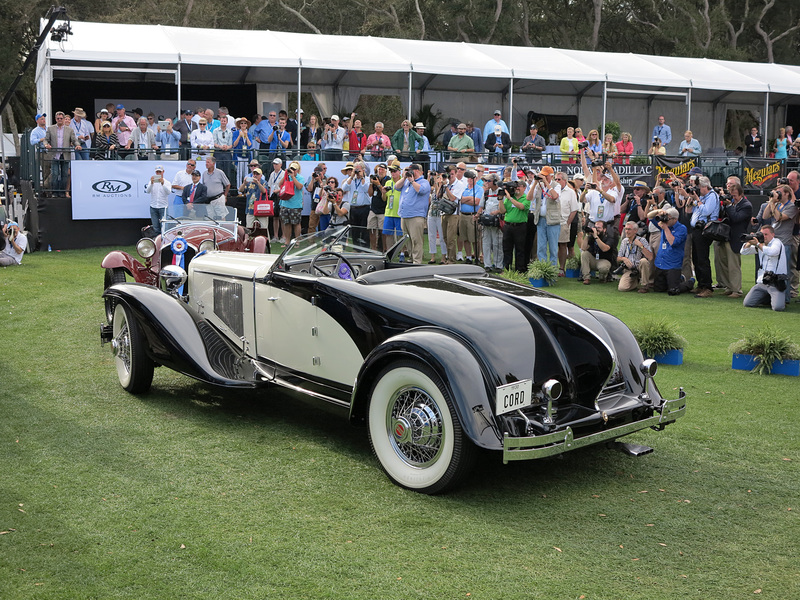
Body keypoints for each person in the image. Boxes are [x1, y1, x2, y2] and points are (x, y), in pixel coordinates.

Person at [761, 184, 798, 305]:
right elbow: (765, 216)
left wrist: (772, 204)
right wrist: (771, 201)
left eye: (780, 192)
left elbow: (778, 217)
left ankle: (785, 297)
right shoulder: (777, 204)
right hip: (774, 241)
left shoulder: (792, 207)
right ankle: (773, 295)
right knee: (773, 270)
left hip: (785, 242)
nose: (777, 194)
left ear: (787, 193)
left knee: (784, 272)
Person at [716, 179, 752, 299]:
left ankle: (737, 290)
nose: (733, 198)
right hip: (725, 236)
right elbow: (722, 216)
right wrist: (724, 205)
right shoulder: (730, 204)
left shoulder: (746, 205)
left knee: (734, 265)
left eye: (735, 196)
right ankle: (729, 287)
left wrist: (729, 206)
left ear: (741, 194)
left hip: (736, 238)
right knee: (724, 263)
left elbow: (736, 218)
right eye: (731, 196)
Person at [684, 176, 719, 297]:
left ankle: (707, 286)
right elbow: (688, 212)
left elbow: (706, 211)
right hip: (696, 229)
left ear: (705, 186)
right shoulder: (703, 197)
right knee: (696, 258)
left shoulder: (712, 196)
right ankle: (700, 284)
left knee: (703, 258)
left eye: (699, 187)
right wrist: (690, 200)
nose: (697, 189)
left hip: (705, 230)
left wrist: (697, 199)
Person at [741, 225, 788, 311]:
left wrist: (758, 244)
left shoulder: (777, 242)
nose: (764, 237)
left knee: (778, 308)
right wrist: (749, 242)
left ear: (773, 234)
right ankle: (767, 298)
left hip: (775, 282)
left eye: (766, 234)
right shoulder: (761, 245)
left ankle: (775, 298)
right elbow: (744, 252)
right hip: (763, 281)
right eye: (762, 234)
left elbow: (773, 252)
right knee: (748, 303)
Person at [650, 207, 694, 295]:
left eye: (668, 218)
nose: (665, 220)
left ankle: (690, 282)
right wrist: (658, 211)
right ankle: (678, 279)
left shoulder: (681, 228)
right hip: (661, 263)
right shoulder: (664, 224)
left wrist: (665, 228)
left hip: (672, 264)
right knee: (658, 289)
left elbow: (673, 242)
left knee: (673, 290)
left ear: (675, 219)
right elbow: (649, 216)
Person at [396, 163, 431, 264]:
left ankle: (417, 260)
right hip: (404, 215)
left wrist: (412, 181)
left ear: (416, 171)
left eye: (410, 170)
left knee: (416, 240)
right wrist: (404, 178)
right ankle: (411, 257)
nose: (409, 172)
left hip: (416, 216)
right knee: (407, 239)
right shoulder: (406, 181)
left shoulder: (424, 182)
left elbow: (421, 190)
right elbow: (396, 187)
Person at [529, 166, 561, 267]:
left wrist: (546, 183)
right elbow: (529, 198)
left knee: (553, 248)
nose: (543, 177)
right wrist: (535, 183)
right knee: (541, 247)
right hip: (541, 219)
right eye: (542, 175)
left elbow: (555, 196)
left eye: (546, 176)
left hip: (553, 220)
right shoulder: (538, 186)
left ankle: (552, 270)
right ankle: (542, 269)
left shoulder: (556, 185)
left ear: (551, 176)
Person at [43, 111, 80, 195]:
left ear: (63, 119)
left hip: (65, 154)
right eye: (58, 118)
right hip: (54, 154)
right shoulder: (50, 128)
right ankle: (55, 192)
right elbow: (46, 139)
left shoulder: (69, 130)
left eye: (61, 118)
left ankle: (62, 192)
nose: (59, 120)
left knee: (65, 174)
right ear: (55, 119)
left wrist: (77, 145)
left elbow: (74, 140)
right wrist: (46, 144)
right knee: (55, 174)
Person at [502, 179, 532, 272]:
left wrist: (510, 198)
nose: (517, 188)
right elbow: (503, 210)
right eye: (516, 187)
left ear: (524, 188)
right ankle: (507, 269)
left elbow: (522, 207)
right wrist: (500, 200)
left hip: (520, 226)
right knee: (507, 249)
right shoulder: (510, 197)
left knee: (520, 249)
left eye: (519, 186)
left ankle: (520, 270)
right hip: (508, 226)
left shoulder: (526, 198)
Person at [616, 221, 654, 292]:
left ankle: (645, 286)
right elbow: (618, 258)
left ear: (635, 231)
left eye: (629, 229)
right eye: (626, 229)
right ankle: (636, 282)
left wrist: (641, 246)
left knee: (644, 261)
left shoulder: (642, 240)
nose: (627, 231)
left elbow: (650, 257)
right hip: (630, 269)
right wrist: (624, 259)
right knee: (622, 288)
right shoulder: (624, 241)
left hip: (640, 268)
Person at [478, 173, 505, 272]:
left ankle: (498, 265)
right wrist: (477, 215)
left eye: (488, 181)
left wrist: (497, 212)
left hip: (496, 221)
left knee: (497, 243)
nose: (486, 183)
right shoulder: (486, 193)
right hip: (486, 221)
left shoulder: (501, 192)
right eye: (485, 181)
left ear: (494, 181)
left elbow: (505, 207)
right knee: (486, 242)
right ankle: (487, 264)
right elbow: (481, 206)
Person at [442, 162, 468, 263]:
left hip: (453, 213)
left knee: (450, 238)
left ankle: (451, 259)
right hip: (444, 212)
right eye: (449, 174)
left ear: (456, 174)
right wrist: (440, 184)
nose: (450, 176)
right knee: (445, 237)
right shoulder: (446, 183)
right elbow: (439, 196)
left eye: (452, 174)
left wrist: (446, 188)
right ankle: (449, 256)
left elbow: (453, 198)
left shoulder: (459, 185)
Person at [580, 219, 618, 284]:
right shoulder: (591, 236)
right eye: (595, 227)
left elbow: (605, 248)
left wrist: (596, 237)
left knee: (603, 268)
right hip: (594, 259)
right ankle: (586, 278)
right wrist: (587, 236)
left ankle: (603, 277)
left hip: (604, 260)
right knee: (584, 254)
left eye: (599, 228)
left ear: (604, 229)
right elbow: (583, 248)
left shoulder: (610, 237)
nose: (596, 229)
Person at [556, 171, 580, 275]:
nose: (556, 181)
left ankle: (561, 268)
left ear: (564, 181)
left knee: (563, 245)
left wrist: (567, 223)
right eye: (555, 179)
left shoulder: (571, 192)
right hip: (551, 222)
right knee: (552, 246)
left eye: (558, 179)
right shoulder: (552, 190)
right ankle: (552, 267)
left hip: (563, 222)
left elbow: (574, 209)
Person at [342, 162, 371, 247]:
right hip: (354, 208)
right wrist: (352, 176)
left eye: (359, 170)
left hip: (364, 207)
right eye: (356, 170)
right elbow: (344, 188)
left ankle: (365, 248)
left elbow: (366, 189)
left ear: (363, 170)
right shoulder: (352, 180)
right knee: (354, 229)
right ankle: (356, 247)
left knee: (364, 229)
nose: (357, 172)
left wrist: (362, 177)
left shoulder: (367, 179)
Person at [458, 169, 482, 263]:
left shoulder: (479, 189)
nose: (469, 179)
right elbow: (460, 200)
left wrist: (465, 199)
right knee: (465, 237)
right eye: (468, 178)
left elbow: (476, 202)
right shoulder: (464, 188)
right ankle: (468, 257)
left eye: (470, 178)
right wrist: (470, 198)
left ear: (475, 178)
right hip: (463, 215)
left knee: (475, 238)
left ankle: (477, 257)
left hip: (473, 215)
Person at [279, 161, 304, 244]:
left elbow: (299, 187)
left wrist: (293, 177)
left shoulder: (300, 177)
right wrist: (286, 174)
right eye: (291, 169)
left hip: (295, 204)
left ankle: (297, 241)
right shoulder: (286, 176)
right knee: (286, 223)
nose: (292, 170)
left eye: (294, 169)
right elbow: (280, 184)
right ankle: (287, 240)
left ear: (297, 170)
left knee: (296, 223)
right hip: (285, 203)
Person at [201, 156, 231, 220]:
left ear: (213, 163)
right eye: (206, 162)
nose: (206, 164)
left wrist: (225, 196)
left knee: (221, 216)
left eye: (208, 162)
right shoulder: (204, 174)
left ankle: (223, 228)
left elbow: (228, 184)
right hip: (208, 200)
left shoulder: (220, 172)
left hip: (218, 199)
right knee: (210, 218)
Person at [367, 163, 389, 250]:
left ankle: (384, 249)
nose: (380, 171)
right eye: (379, 169)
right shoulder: (375, 179)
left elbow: (385, 193)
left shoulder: (387, 180)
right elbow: (370, 194)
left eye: (382, 169)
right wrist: (371, 183)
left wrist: (378, 184)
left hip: (383, 209)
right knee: (371, 229)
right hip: (373, 209)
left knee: (383, 232)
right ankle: (373, 249)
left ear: (386, 171)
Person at [145, 165, 171, 234]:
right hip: (153, 207)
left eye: (160, 172)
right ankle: (157, 242)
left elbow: (168, 192)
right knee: (155, 227)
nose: (158, 174)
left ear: (163, 172)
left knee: (164, 227)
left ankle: (163, 242)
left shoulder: (167, 182)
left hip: (163, 207)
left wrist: (163, 184)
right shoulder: (151, 182)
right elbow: (147, 191)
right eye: (157, 172)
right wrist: (151, 183)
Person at [213, 115, 234, 180]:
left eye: (224, 121)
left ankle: (227, 187)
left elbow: (231, 144)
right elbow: (214, 143)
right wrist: (220, 146)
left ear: (227, 122)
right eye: (222, 121)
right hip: (218, 152)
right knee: (218, 170)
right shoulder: (215, 131)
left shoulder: (229, 132)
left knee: (227, 170)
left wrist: (227, 147)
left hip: (227, 152)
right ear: (220, 121)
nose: (223, 122)